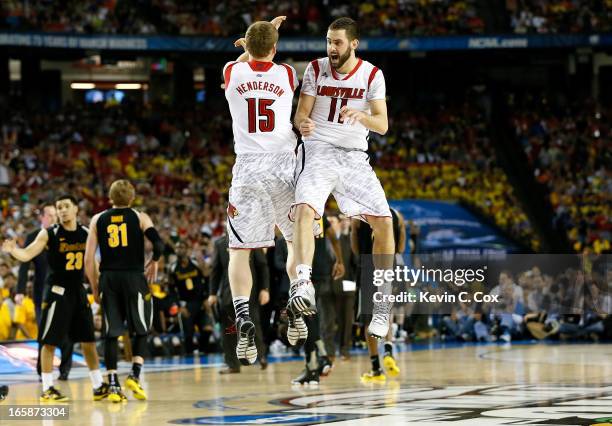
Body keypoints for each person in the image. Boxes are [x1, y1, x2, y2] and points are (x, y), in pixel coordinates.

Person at [289, 17, 395, 342]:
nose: (331, 48)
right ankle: (302, 283)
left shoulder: (372, 75)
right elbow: (300, 114)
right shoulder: (315, 69)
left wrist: (363, 116)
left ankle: (382, 301)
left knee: (385, 223)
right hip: (318, 149)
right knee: (305, 210)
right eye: (328, 41)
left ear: (353, 43)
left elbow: (383, 125)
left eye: (337, 42)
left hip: (352, 156)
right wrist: (303, 123)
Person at [223, 15, 306, 365]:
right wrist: (262, 39)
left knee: (239, 252)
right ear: (275, 48)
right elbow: (265, 55)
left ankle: (243, 316)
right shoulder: (287, 74)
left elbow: (248, 60)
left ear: (244, 44)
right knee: (296, 239)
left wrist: (247, 46)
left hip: (248, 167)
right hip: (284, 163)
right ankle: (297, 300)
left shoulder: (231, 71)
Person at [1, 195, 107, 401]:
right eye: (59, 207)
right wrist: (13, 250)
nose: (63, 210)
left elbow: (92, 265)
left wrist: (96, 289)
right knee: (49, 342)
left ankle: (98, 385)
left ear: (76, 209)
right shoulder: (49, 233)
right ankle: (48, 388)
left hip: (78, 291)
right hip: (58, 292)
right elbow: (27, 255)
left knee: (88, 340)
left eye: (67, 206)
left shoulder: (86, 233)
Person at [85, 179, 164, 403]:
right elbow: (158, 245)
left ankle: (112, 384)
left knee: (111, 332)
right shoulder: (140, 217)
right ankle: (135, 375)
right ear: (132, 198)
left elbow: (88, 259)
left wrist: (94, 284)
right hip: (134, 277)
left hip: (109, 278)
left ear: (110, 198)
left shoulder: (97, 219)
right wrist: (155, 261)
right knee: (141, 329)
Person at [16, 204, 73, 379]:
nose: (54, 218)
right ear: (42, 217)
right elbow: (24, 264)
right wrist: (20, 290)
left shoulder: (64, 234)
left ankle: (65, 370)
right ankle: (43, 371)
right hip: (42, 293)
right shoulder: (33, 236)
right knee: (44, 332)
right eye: (50, 215)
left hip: (65, 291)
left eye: (55, 215)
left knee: (66, 332)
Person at [351, 207, 403, 383]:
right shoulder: (396, 215)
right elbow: (401, 246)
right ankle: (388, 349)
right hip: (391, 266)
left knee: (368, 319)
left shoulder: (358, 217)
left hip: (368, 268)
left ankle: (376, 369)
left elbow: (355, 248)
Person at [208, 233, 270, 373]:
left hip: (249, 290)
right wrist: (212, 293)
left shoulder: (252, 238)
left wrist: (265, 289)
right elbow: (215, 270)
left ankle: (260, 356)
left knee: (253, 323)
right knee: (229, 328)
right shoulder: (220, 243)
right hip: (227, 292)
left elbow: (262, 266)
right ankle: (232, 364)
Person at [169, 241, 212, 354]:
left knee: (207, 329)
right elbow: (171, 290)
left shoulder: (195, 263)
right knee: (188, 335)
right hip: (185, 304)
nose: (179, 249)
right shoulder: (173, 268)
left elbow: (205, 280)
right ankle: (190, 359)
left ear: (187, 250)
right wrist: (179, 306)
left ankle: (202, 350)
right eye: (177, 247)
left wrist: (206, 298)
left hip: (200, 301)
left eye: (181, 247)